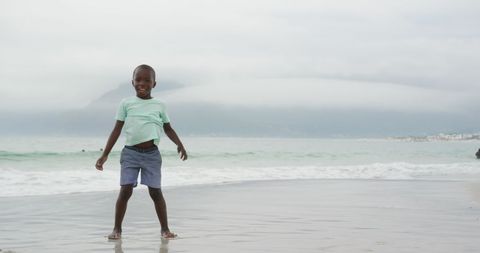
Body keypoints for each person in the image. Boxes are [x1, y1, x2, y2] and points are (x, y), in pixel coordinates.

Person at [95, 64, 187, 240]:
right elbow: (116, 130)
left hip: (152, 154)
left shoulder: (160, 105)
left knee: (155, 192)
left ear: (154, 83)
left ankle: (165, 230)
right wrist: (105, 154)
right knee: (125, 190)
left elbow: (168, 128)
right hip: (130, 153)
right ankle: (117, 229)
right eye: (138, 80)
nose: (142, 83)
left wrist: (180, 144)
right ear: (132, 82)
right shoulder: (126, 103)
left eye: (147, 80)